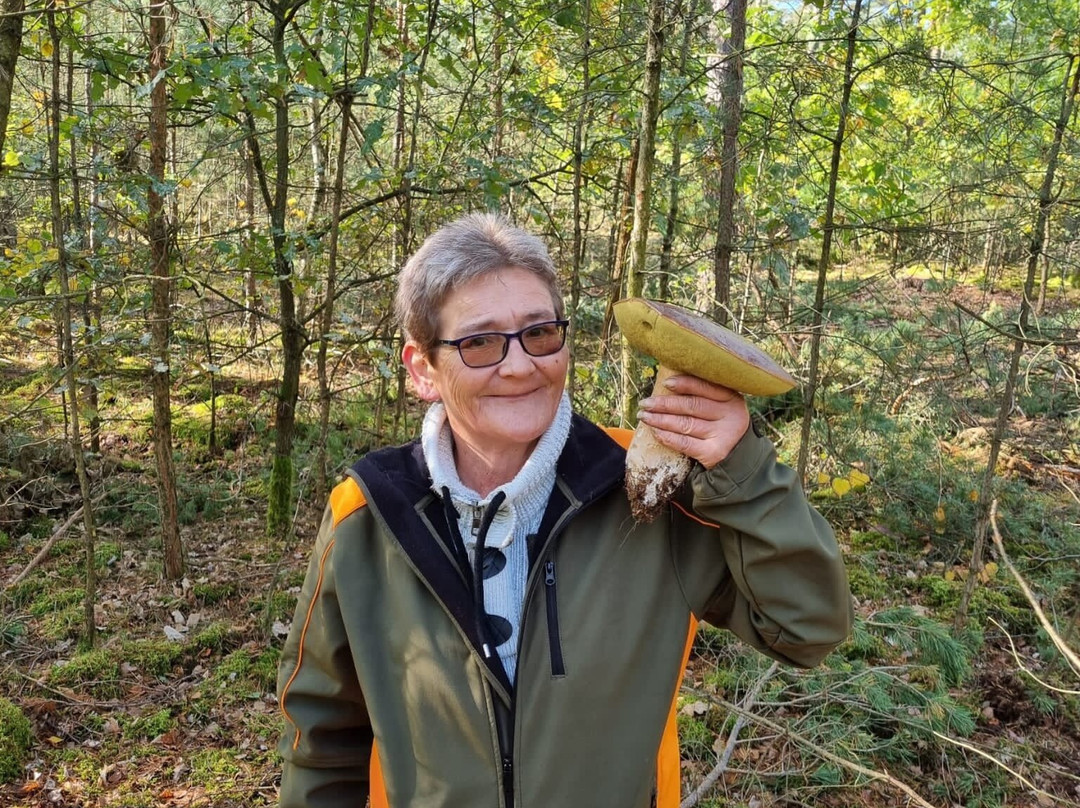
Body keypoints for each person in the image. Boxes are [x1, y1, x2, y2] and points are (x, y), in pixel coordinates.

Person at [276, 212, 852, 808]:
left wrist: (745, 471)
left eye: (540, 333)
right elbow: (322, 738)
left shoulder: (647, 493)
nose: (522, 365)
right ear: (423, 369)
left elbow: (807, 629)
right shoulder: (368, 515)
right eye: (479, 343)